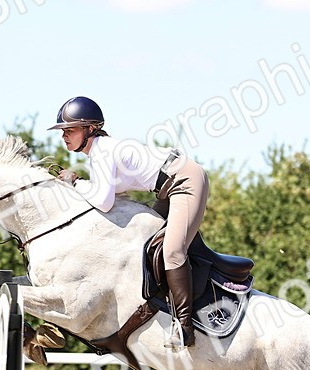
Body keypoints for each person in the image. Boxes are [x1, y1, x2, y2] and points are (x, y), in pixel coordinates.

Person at [50, 96, 208, 351]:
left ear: (90, 129)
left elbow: (102, 201)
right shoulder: (98, 152)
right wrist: (77, 183)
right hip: (168, 188)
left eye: (70, 130)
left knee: (171, 251)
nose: (64, 136)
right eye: (63, 131)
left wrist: (74, 183)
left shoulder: (103, 151)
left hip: (184, 181)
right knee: (146, 244)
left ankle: (184, 327)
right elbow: (106, 193)